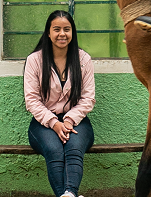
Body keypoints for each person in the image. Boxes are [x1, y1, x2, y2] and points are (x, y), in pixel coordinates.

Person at [24, 10, 96, 197]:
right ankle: (70, 194)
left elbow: (88, 98)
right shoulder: (35, 60)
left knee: (74, 149)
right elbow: (32, 100)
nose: (62, 34)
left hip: (77, 121)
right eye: (56, 29)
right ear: (48, 33)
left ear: (73, 32)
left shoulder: (84, 59)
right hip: (43, 123)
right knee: (54, 150)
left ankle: (68, 194)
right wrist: (54, 123)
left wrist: (69, 120)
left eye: (67, 29)